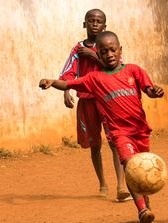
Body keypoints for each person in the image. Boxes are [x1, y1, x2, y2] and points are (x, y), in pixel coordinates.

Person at [40, 31, 164, 223]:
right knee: (131, 167)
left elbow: (149, 90)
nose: (109, 54)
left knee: (143, 169)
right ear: (98, 53)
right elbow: (69, 83)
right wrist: (52, 82)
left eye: (113, 50)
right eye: (104, 51)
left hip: (140, 131)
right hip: (119, 133)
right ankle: (141, 210)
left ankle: (146, 205)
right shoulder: (95, 78)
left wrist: (155, 91)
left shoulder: (134, 71)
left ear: (120, 50)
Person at [59, 9, 131, 201]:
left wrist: (93, 55)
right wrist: (66, 91)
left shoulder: (108, 46)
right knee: (94, 145)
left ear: (104, 26)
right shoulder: (78, 49)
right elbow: (68, 72)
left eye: (99, 21)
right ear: (85, 24)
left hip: (107, 100)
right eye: (91, 21)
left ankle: (121, 186)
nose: (95, 24)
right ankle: (102, 184)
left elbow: (116, 67)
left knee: (115, 142)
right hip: (87, 102)